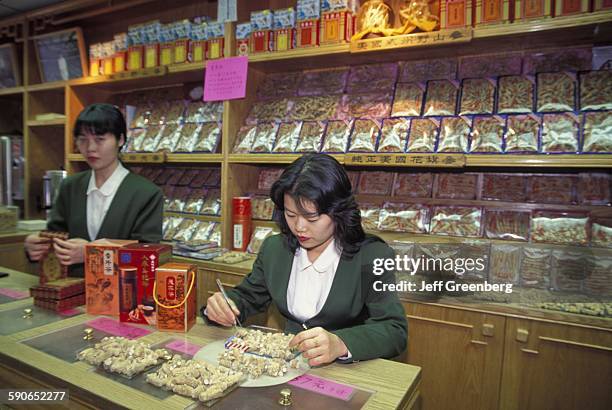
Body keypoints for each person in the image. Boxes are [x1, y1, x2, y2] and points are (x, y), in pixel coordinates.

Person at [205, 154, 407, 365]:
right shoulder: (276, 249)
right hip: (287, 368)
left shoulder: (371, 255)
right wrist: (226, 305)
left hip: (345, 373)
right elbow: (248, 297)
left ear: (338, 211)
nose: (299, 227)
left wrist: (340, 343)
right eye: (291, 215)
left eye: (312, 218)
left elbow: (394, 330)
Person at [24, 103, 163, 276]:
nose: (90, 148)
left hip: (123, 294)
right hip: (72, 290)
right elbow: (56, 236)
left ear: (120, 139)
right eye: (83, 139)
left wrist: (91, 252)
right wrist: (37, 246)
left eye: (100, 139)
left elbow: (147, 256)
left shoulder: (146, 193)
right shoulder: (70, 186)